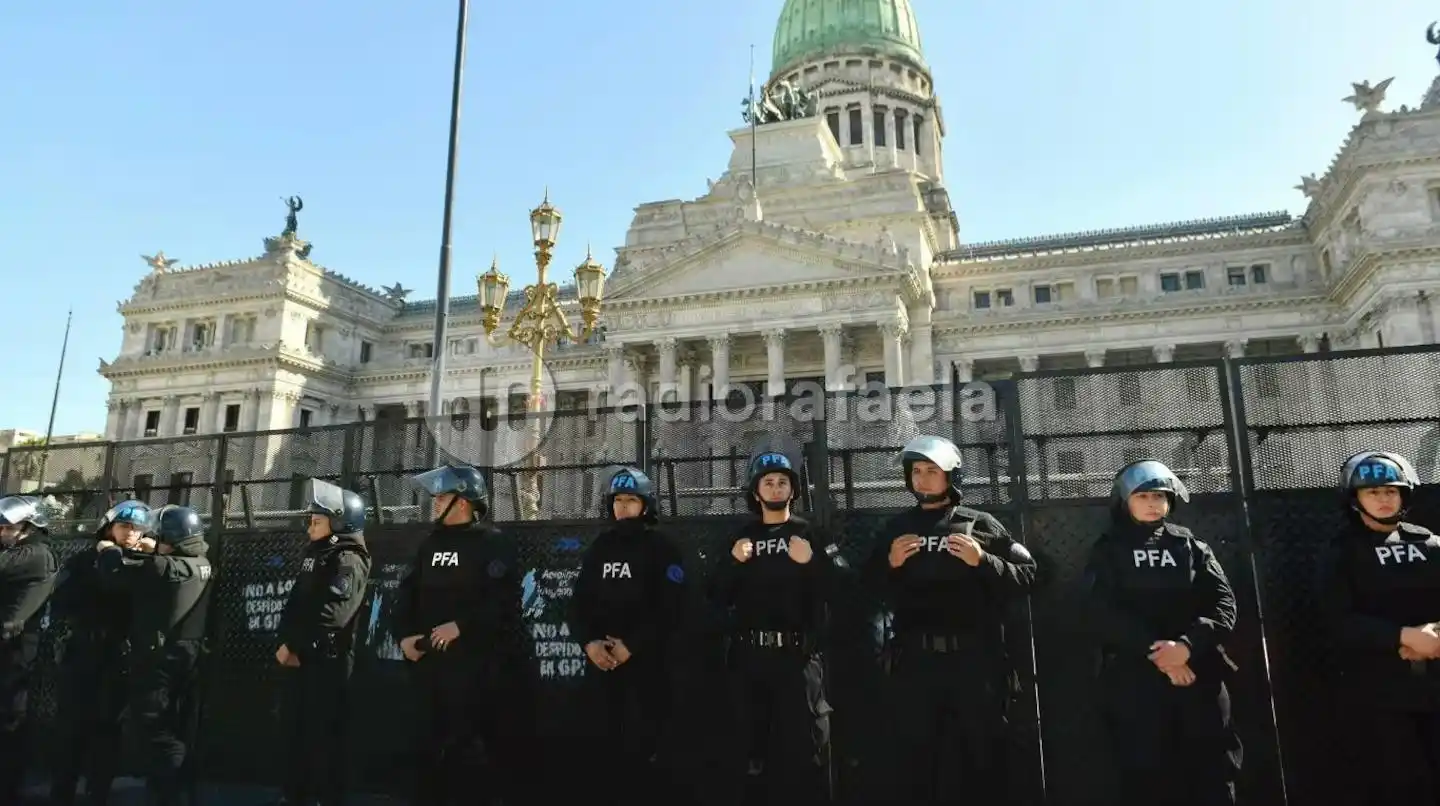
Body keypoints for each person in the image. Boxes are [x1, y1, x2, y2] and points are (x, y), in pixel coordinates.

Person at [864, 435, 1036, 805]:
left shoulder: (982, 524)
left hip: (975, 663)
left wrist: (984, 561)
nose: (922, 479)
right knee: (917, 760)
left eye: (931, 471)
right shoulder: (897, 529)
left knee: (983, 755)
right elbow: (864, 589)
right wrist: (889, 564)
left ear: (951, 476)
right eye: (916, 472)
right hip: (916, 663)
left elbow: (1029, 576)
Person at [1084, 459, 1242, 806]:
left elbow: (1223, 605)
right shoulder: (1108, 550)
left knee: (1214, 770)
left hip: (1197, 675)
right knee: (1146, 774)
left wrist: (1187, 646)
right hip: (1136, 681)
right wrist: (1163, 656)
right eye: (1143, 496)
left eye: (1160, 496)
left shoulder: (1191, 547)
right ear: (1124, 501)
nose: (1153, 503)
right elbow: (1101, 613)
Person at [710, 447, 843, 805]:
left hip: (798, 658)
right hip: (749, 659)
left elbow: (843, 588)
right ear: (756, 492)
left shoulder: (812, 534)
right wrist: (733, 563)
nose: (775, 487)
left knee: (809, 749)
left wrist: (812, 562)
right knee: (750, 752)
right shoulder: (741, 537)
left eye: (782, 482)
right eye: (767, 482)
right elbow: (714, 596)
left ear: (793, 490)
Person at [397, 463, 531, 806]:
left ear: (463, 502)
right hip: (429, 673)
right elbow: (406, 596)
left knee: (469, 757)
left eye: (442, 496)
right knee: (425, 753)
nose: (436, 503)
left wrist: (462, 627)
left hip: (477, 674)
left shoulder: (492, 543)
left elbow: (503, 601)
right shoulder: (428, 545)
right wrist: (404, 637)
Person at [1318, 450, 1440, 802]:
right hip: (1377, 690)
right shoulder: (1340, 552)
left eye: (1390, 490)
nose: (1384, 499)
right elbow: (1336, 619)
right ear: (1354, 498)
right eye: (1372, 492)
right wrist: (1402, 638)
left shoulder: (1430, 543)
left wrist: (1435, 637)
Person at [568, 466, 687, 806]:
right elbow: (579, 604)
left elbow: (671, 607)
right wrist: (589, 643)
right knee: (602, 751)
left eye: (630, 500)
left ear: (645, 505)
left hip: (647, 669)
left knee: (645, 752)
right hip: (601, 668)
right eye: (618, 500)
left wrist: (633, 646)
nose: (623, 507)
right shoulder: (600, 547)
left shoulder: (661, 548)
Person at [96, 503, 213, 806]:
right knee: (180, 726)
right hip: (189, 657)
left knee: (154, 730)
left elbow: (116, 574)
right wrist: (158, 549)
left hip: (158, 660)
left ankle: (165, 794)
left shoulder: (160, 566)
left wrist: (108, 549)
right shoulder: (203, 563)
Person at [273, 479, 372, 806]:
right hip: (303, 662)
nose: (309, 528)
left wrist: (297, 646)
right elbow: (297, 604)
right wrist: (286, 642)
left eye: (317, 521)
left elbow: (334, 613)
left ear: (340, 522)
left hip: (327, 665)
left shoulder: (349, 558)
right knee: (295, 738)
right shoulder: (317, 554)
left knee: (324, 743)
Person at [50, 500, 151, 806]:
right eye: (125, 526)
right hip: (82, 651)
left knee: (108, 729)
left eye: (137, 528)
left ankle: (99, 793)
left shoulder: (144, 562)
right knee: (72, 729)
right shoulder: (84, 560)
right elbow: (64, 598)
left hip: (118, 653)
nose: (131, 533)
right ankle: (62, 792)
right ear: (110, 528)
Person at [0, 495, 59, 804]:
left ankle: (8, 789)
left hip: (16, 651)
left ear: (27, 527)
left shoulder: (36, 554)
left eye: (5, 527)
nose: (1, 533)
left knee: (11, 720)